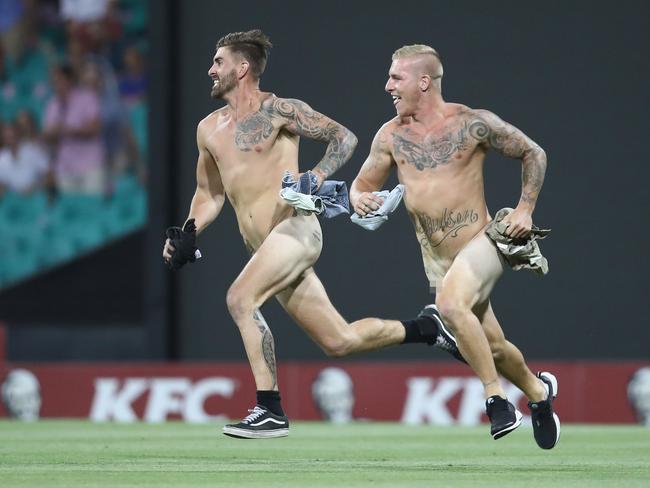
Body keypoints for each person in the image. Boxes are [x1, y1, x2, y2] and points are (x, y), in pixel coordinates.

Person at [162, 30, 462, 439]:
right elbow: (208, 194)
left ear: (242, 68)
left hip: (296, 231)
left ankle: (270, 409)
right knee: (339, 341)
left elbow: (345, 137)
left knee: (239, 299)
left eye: (218, 62)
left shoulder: (281, 110)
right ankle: (427, 329)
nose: (210, 70)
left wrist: (316, 175)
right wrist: (187, 231)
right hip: (265, 248)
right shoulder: (208, 129)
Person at [350, 44, 560, 449]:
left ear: (424, 82)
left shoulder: (471, 123)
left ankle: (496, 401)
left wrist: (525, 208)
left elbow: (533, 152)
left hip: (487, 242)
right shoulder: (391, 136)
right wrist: (361, 198)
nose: (387, 85)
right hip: (440, 262)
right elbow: (363, 184)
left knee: (449, 307)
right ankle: (538, 393)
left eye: (396, 77)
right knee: (493, 345)